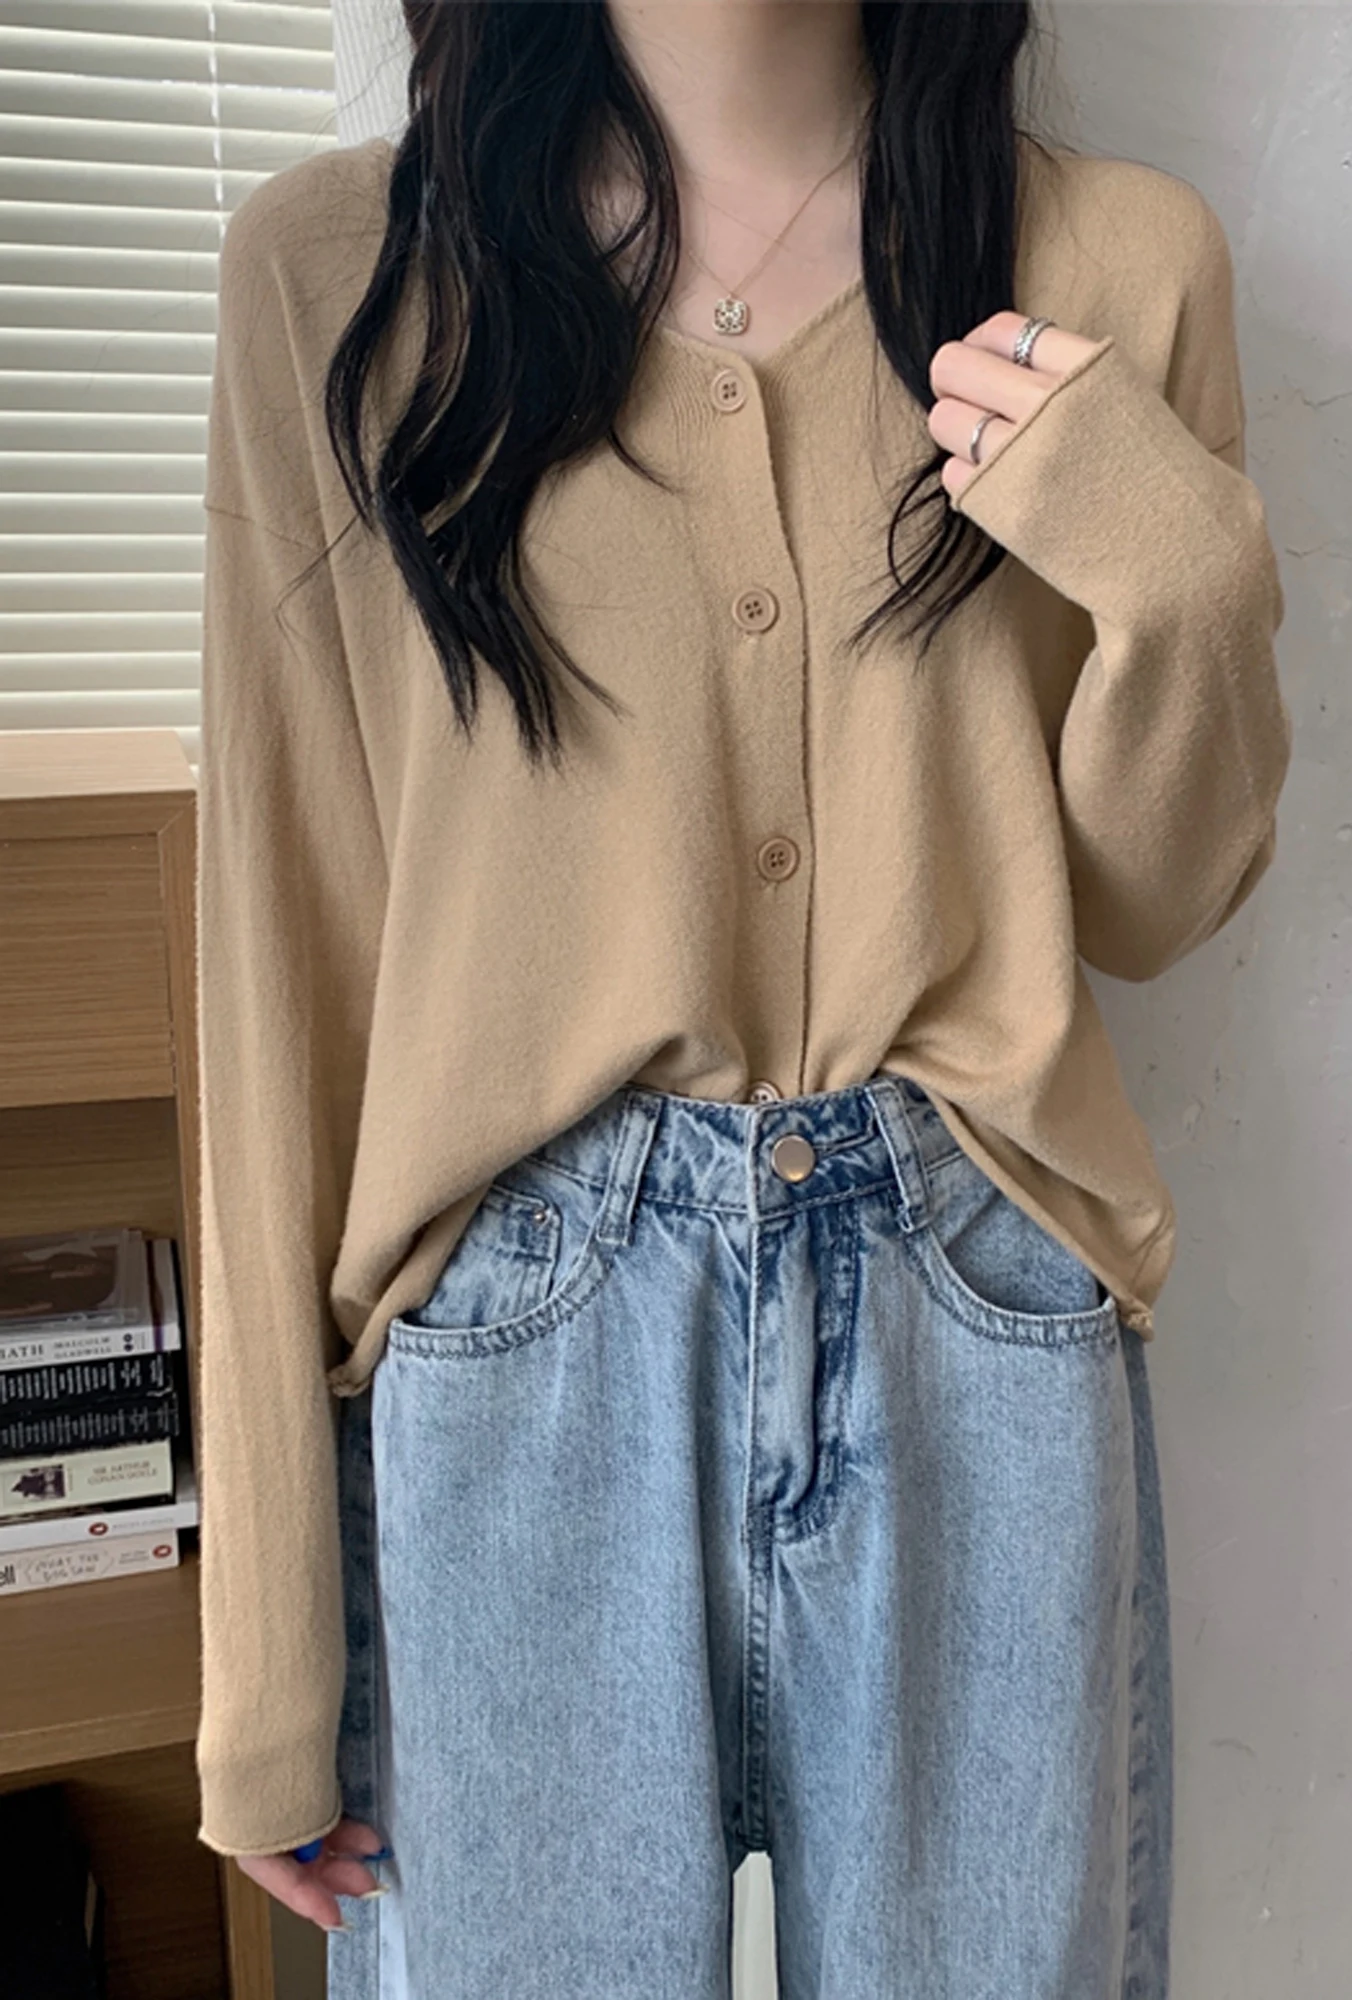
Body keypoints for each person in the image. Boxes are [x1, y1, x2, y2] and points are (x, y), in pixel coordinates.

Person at [191, 0, 1292, 1993]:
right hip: (521, 1347)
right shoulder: (341, 282)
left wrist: (1190, 584)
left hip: (977, 1312)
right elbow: (286, 961)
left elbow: (1153, 903)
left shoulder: (1118, 263)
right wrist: (267, 1659)